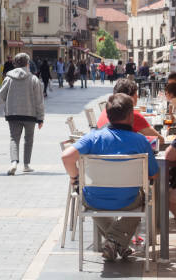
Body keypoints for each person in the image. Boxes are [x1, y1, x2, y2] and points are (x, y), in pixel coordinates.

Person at [61, 93, 159, 261]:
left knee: (88, 197)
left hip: (94, 199)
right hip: (128, 201)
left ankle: (114, 242)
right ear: (130, 116)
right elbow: (154, 174)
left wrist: (75, 179)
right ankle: (116, 241)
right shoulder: (140, 141)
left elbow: (66, 157)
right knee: (144, 198)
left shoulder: (93, 137)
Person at [0, 53, 45, 175]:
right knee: (28, 139)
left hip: (13, 113)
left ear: (15, 64)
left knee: (14, 138)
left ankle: (14, 162)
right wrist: (40, 118)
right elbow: (39, 100)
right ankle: (26, 165)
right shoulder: (33, 79)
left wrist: (10, 100)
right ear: (27, 64)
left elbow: (1, 94)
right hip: (30, 114)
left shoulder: (9, 78)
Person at [97, 79, 165, 146]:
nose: (137, 97)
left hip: (103, 151)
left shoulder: (105, 111)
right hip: (127, 154)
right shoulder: (132, 115)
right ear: (130, 98)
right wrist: (141, 139)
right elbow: (160, 140)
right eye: (136, 94)